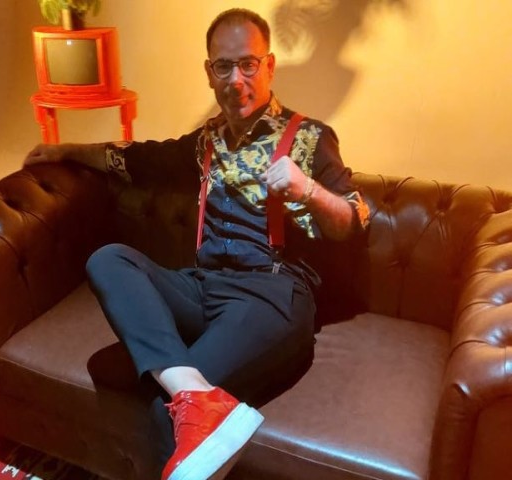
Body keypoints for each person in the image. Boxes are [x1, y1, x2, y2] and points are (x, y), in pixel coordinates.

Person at [25, 8, 369, 480]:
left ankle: (184, 398)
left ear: (269, 66)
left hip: (271, 295)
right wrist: (66, 150)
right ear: (209, 73)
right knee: (109, 260)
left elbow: (354, 220)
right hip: (204, 286)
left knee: (163, 411)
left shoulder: (309, 137)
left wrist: (307, 189)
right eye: (223, 66)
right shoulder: (207, 140)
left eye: (248, 64)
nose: (236, 80)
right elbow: (137, 160)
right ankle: (192, 390)